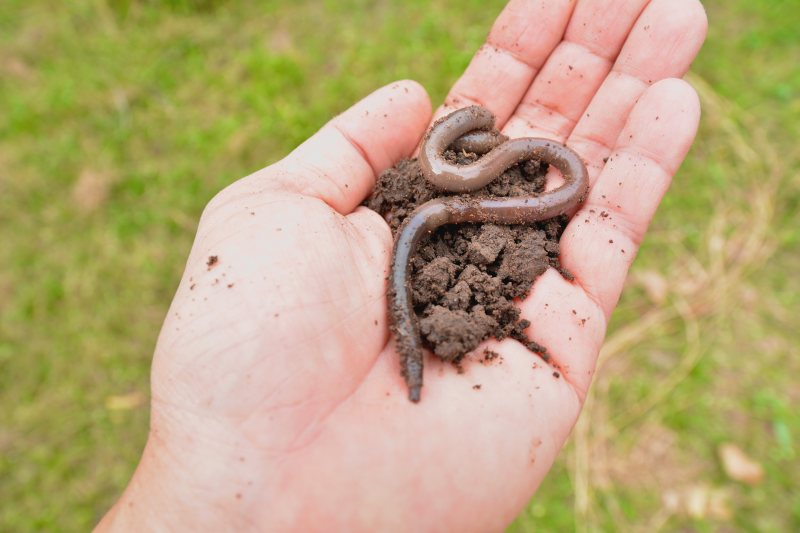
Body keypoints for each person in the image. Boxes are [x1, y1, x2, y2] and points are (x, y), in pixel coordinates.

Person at [96, 0, 707, 530]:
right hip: (464, 193)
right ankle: (414, 341)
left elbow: (468, 168)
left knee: (442, 209)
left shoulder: (468, 171)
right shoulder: (456, 174)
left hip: (472, 186)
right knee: (435, 213)